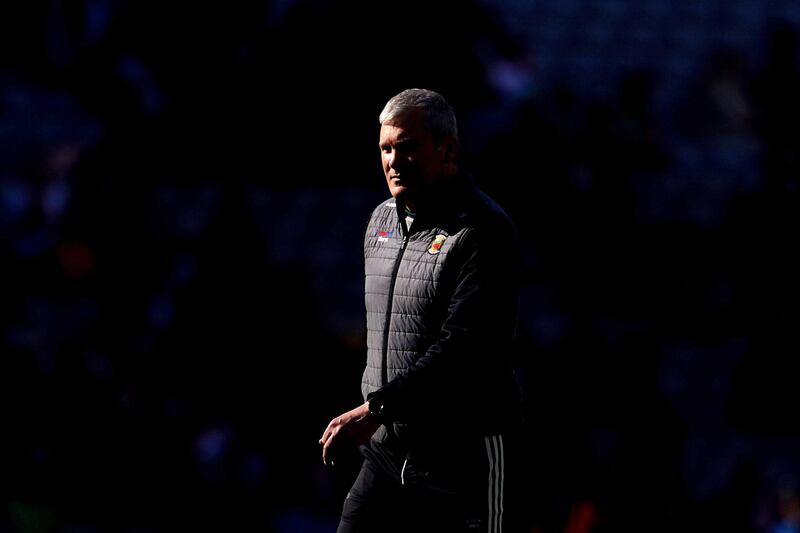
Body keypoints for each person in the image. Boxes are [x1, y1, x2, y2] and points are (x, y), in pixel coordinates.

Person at [319, 88, 524, 533]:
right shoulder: (380, 223)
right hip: (386, 454)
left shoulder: (484, 231)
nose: (393, 160)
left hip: (463, 457)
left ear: (448, 149)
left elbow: (465, 345)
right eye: (386, 149)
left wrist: (374, 408)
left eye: (407, 146)